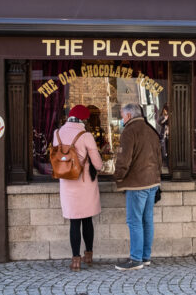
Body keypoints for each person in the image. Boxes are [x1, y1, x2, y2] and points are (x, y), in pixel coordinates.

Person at [113, 103, 163, 271]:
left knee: (134, 221)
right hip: (152, 182)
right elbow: (159, 158)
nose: (121, 119)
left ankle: (135, 259)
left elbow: (123, 160)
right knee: (147, 221)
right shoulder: (151, 130)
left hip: (137, 183)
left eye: (122, 115)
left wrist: (118, 176)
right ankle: (145, 257)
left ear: (128, 116)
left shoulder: (129, 131)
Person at [54, 104, 103, 271]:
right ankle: (88, 255)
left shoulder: (57, 134)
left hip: (67, 182)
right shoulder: (86, 135)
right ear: (84, 119)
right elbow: (97, 163)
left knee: (74, 222)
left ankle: (75, 260)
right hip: (84, 183)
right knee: (87, 219)